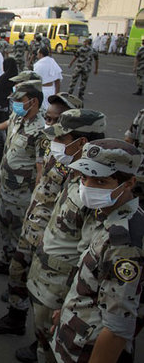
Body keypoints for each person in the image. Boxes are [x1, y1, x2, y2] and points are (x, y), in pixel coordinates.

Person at [0, 110, 106, 361]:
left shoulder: (95, 189)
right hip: (41, 250)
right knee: (32, 301)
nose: (55, 143)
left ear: (81, 143)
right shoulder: (70, 168)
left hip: (63, 274)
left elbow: (91, 250)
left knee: (51, 329)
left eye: (62, 138)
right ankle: (26, 329)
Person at [51, 139, 143, 363]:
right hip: (75, 332)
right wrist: (64, 311)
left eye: (100, 181)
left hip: (87, 351)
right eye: (84, 177)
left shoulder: (125, 244)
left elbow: (116, 331)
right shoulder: (108, 214)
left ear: (129, 183)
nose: (87, 186)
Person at [0, 81, 45, 275]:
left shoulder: (41, 131)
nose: (15, 104)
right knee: (5, 226)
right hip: (7, 185)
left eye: (19, 100)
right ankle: (5, 260)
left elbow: (41, 169)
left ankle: (18, 273)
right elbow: (8, 123)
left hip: (23, 194)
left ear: (33, 102)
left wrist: (37, 201)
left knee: (19, 234)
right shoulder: (19, 116)